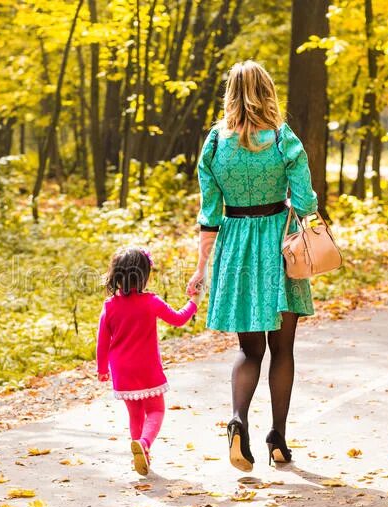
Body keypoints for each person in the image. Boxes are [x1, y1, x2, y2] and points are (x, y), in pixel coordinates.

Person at [186, 60, 318, 473]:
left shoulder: (214, 142)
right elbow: (307, 201)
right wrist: (301, 212)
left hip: (236, 243)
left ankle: (238, 420)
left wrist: (202, 266)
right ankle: (278, 438)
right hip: (278, 245)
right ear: (267, 90)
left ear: (230, 92)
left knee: (248, 349)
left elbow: (209, 212)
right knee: (282, 349)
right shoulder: (282, 138)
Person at [97, 246, 202, 476]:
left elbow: (102, 341)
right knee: (156, 411)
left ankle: (140, 450)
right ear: (144, 275)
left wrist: (102, 369)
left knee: (135, 414)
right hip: (147, 368)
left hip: (122, 370)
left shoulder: (110, 306)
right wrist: (194, 302)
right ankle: (143, 444)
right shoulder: (151, 301)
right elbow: (178, 319)